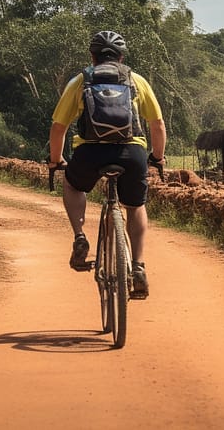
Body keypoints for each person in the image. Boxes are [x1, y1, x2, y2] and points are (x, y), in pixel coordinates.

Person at [48, 30, 166, 297]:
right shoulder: (137, 81)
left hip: (90, 153)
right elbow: (157, 125)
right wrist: (157, 157)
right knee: (135, 206)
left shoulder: (81, 81)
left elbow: (58, 128)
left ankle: (79, 237)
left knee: (73, 185)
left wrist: (56, 162)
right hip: (132, 152)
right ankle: (137, 266)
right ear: (122, 57)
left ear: (92, 56)